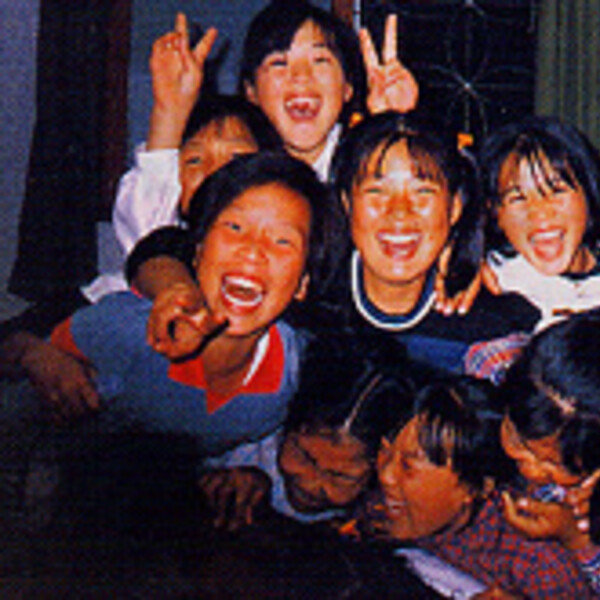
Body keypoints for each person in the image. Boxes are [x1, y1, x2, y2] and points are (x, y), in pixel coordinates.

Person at [362, 376, 595, 598]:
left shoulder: (535, 563)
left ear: (478, 488)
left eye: (407, 467)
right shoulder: (383, 507)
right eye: (386, 451)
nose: (386, 476)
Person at [197, 334, 419, 530]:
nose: (309, 485)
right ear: (287, 422)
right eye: (304, 456)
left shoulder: (387, 510)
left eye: (340, 476)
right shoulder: (239, 443)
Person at [450, 116, 600, 331]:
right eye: (517, 198)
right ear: (494, 212)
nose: (539, 214)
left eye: (556, 191)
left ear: (588, 193)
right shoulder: (492, 289)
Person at [498, 310, 600, 594]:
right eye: (518, 442)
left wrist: (576, 539)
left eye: (557, 466)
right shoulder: (506, 370)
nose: (531, 470)